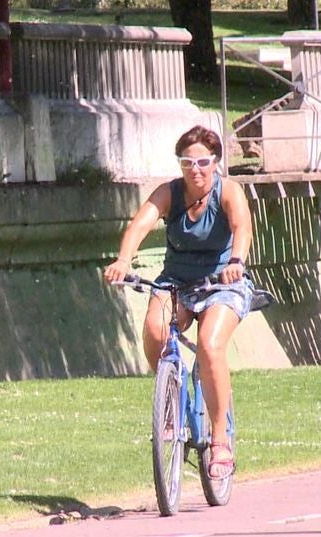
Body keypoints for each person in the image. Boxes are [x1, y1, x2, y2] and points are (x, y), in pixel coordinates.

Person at [102, 125, 255, 480]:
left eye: (203, 162)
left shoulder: (229, 191)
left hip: (222, 283)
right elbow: (140, 225)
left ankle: (220, 441)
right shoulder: (169, 193)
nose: (195, 169)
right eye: (187, 162)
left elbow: (241, 227)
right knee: (155, 331)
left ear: (216, 162)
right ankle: (171, 402)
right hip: (177, 282)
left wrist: (236, 262)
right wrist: (124, 260)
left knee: (209, 345)